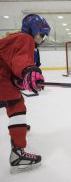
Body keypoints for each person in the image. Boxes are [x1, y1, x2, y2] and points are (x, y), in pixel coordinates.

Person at [0, 14, 51, 173]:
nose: (43, 38)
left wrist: (20, 79)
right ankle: (18, 154)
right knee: (17, 106)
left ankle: (18, 126)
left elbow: (11, 64)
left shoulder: (15, 38)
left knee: (15, 103)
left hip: (3, 77)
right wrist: (28, 71)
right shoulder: (25, 39)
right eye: (41, 34)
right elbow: (21, 59)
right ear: (33, 30)